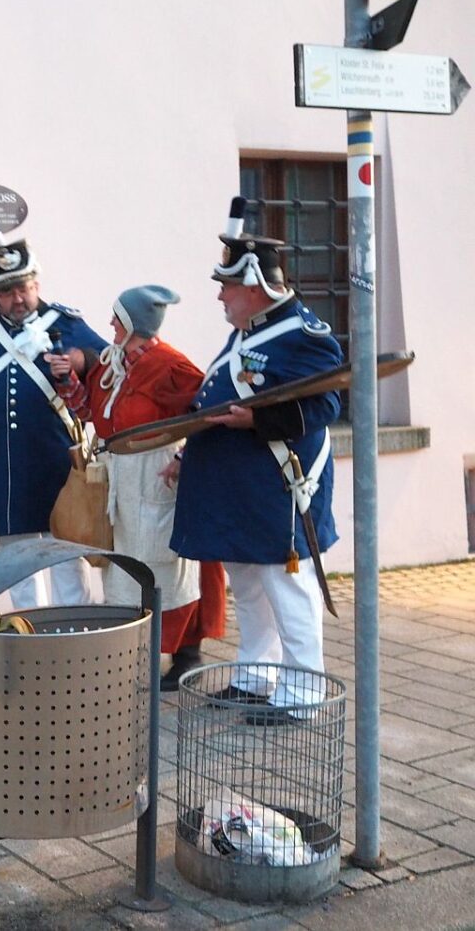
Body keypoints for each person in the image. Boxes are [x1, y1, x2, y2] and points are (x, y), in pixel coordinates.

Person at [166, 200, 343, 722]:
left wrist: (257, 423)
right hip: (239, 490)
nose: (220, 294)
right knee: (247, 585)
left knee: (288, 589)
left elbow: (326, 403)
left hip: (278, 489)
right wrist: (186, 451)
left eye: (227, 285)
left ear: (254, 284)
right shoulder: (250, 327)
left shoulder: (302, 335)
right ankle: (255, 677)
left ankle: (303, 691)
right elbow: (218, 395)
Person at [56, 285, 227, 690]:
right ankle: (133, 654)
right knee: (125, 569)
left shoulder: (171, 365)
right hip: (120, 477)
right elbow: (90, 412)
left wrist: (184, 459)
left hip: (155, 473)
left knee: (165, 566)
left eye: (118, 318)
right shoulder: (113, 364)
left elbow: (208, 413)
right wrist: (67, 381)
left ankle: (185, 654)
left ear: (135, 323)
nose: (111, 325)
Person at [0, 222, 108, 609]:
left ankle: (75, 627)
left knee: (65, 550)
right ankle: (31, 630)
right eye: (6, 291)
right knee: (18, 556)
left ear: (36, 283)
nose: (17, 298)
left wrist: (79, 360)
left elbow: (107, 364)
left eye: (23, 287)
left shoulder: (67, 323)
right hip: (4, 461)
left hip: (58, 456)